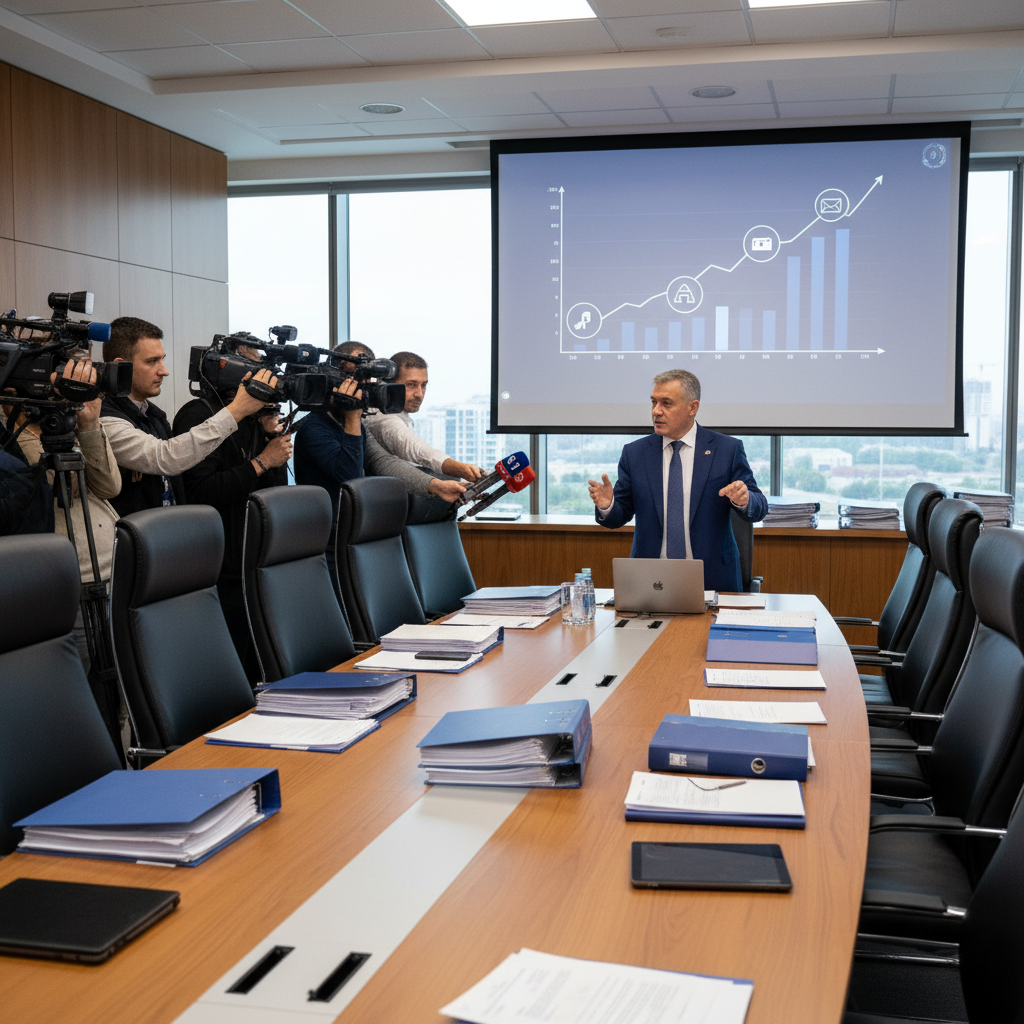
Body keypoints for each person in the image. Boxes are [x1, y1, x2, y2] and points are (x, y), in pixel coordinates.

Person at [588, 369, 767, 594]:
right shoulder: (635, 454)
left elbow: (760, 507)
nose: (656, 411)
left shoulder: (726, 450)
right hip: (651, 582)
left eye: (666, 403)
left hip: (714, 580)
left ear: (693, 408)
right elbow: (619, 515)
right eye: (653, 402)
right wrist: (608, 506)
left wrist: (745, 499)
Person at [173, 352, 292, 678]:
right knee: (228, 672)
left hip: (254, 565)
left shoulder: (254, 419)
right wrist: (261, 462)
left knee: (260, 670)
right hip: (218, 570)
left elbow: (272, 494)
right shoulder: (200, 414)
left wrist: (270, 441)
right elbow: (200, 493)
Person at [100, 316, 276, 516]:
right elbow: (167, 457)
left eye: (162, 359)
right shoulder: (105, 418)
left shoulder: (152, 416)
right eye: (152, 361)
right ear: (122, 366)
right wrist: (238, 409)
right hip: (136, 534)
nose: (164, 371)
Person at [293, 341, 466, 505]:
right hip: (327, 525)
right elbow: (350, 478)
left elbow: (382, 462)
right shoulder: (314, 426)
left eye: (365, 378)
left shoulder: (350, 421)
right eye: (352, 376)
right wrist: (353, 416)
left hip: (354, 522)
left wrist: (437, 486)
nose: (360, 385)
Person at [364, 351, 484, 482]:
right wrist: (460, 468)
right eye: (411, 385)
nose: (419, 394)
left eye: (424, 385)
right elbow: (416, 449)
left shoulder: (399, 413)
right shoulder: (381, 418)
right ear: (389, 385)